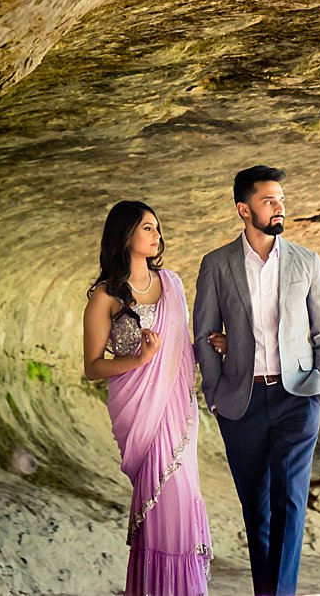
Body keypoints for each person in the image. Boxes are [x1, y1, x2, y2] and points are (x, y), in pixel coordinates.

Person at [192, 166, 320, 596]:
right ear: (244, 209)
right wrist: (216, 394)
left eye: (281, 199)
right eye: (268, 200)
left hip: (298, 397)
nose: (280, 207)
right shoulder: (217, 264)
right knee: (256, 510)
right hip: (241, 402)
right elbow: (203, 334)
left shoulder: (306, 261)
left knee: (290, 502)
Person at [83, 200, 212, 596]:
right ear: (125, 235)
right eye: (148, 228)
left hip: (177, 407)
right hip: (139, 410)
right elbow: (92, 366)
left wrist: (213, 348)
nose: (157, 235)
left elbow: (181, 346)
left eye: (157, 228)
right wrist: (138, 358)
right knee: (160, 505)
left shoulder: (171, 282)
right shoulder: (105, 297)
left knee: (183, 494)